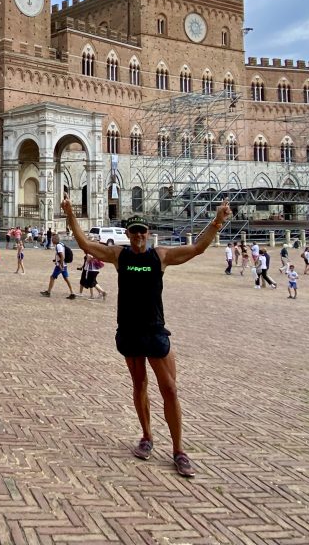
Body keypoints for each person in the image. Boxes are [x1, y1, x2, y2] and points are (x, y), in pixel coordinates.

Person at [63, 195, 233, 478]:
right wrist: (70, 214)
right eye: (134, 231)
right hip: (129, 329)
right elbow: (84, 244)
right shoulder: (120, 256)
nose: (139, 235)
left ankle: (179, 450)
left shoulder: (160, 256)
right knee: (139, 384)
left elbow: (197, 248)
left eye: (143, 231)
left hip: (154, 330)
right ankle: (146, 437)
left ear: (148, 234)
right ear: (128, 235)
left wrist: (217, 221)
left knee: (169, 389)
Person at [39, 233, 76, 299]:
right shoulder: (61, 244)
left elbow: (62, 256)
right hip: (64, 265)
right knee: (66, 278)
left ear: (56, 240)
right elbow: (60, 255)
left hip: (60, 265)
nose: (52, 240)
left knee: (52, 277)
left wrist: (60, 265)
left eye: (53, 239)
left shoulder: (58, 246)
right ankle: (72, 293)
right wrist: (56, 260)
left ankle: (48, 292)